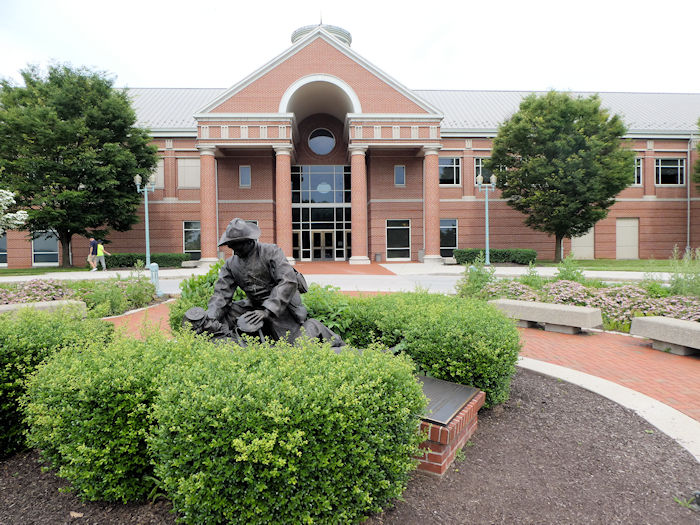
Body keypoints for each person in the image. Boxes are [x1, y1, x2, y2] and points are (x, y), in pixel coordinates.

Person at [195, 218, 343, 346]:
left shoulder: (271, 252)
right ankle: (227, 345)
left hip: (280, 305)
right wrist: (210, 319)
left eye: (235, 244)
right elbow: (221, 294)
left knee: (292, 344)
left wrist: (267, 311)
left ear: (248, 241)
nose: (231, 248)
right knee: (227, 314)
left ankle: (318, 329)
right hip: (254, 304)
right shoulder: (231, 264)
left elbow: (288, 280)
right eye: (230, 244)